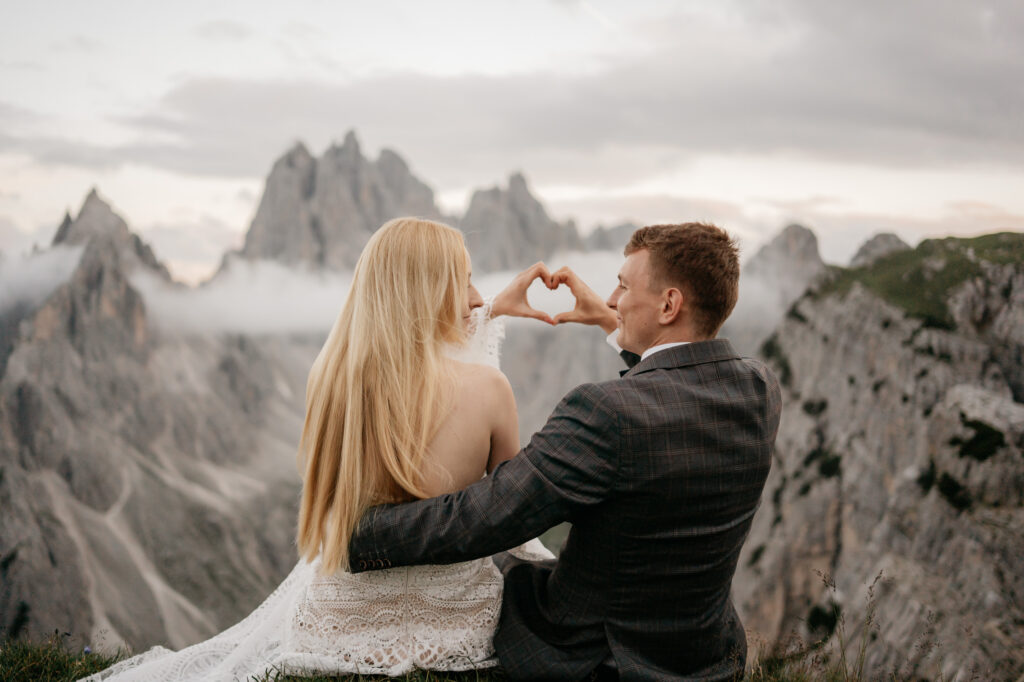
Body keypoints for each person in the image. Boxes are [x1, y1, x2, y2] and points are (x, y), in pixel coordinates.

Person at [81, 217, 554, 682]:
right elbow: (511, 514)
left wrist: (488, 310)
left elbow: (418, 359)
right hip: (456, 625)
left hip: (337, 622)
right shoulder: (491, 390)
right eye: (465, 281)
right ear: (428, 290)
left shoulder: (335, 380)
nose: (475, 298)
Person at [348, 222, 783, 681]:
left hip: (601, 661)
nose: (612, 300)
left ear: (669, 304)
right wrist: (613, 325)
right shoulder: (758, 388)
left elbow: (488, 515)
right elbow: (673, 393)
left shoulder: (606, 412)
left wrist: (364, 536)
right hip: (705, 658)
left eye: (622, 285)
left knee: (497, 567)